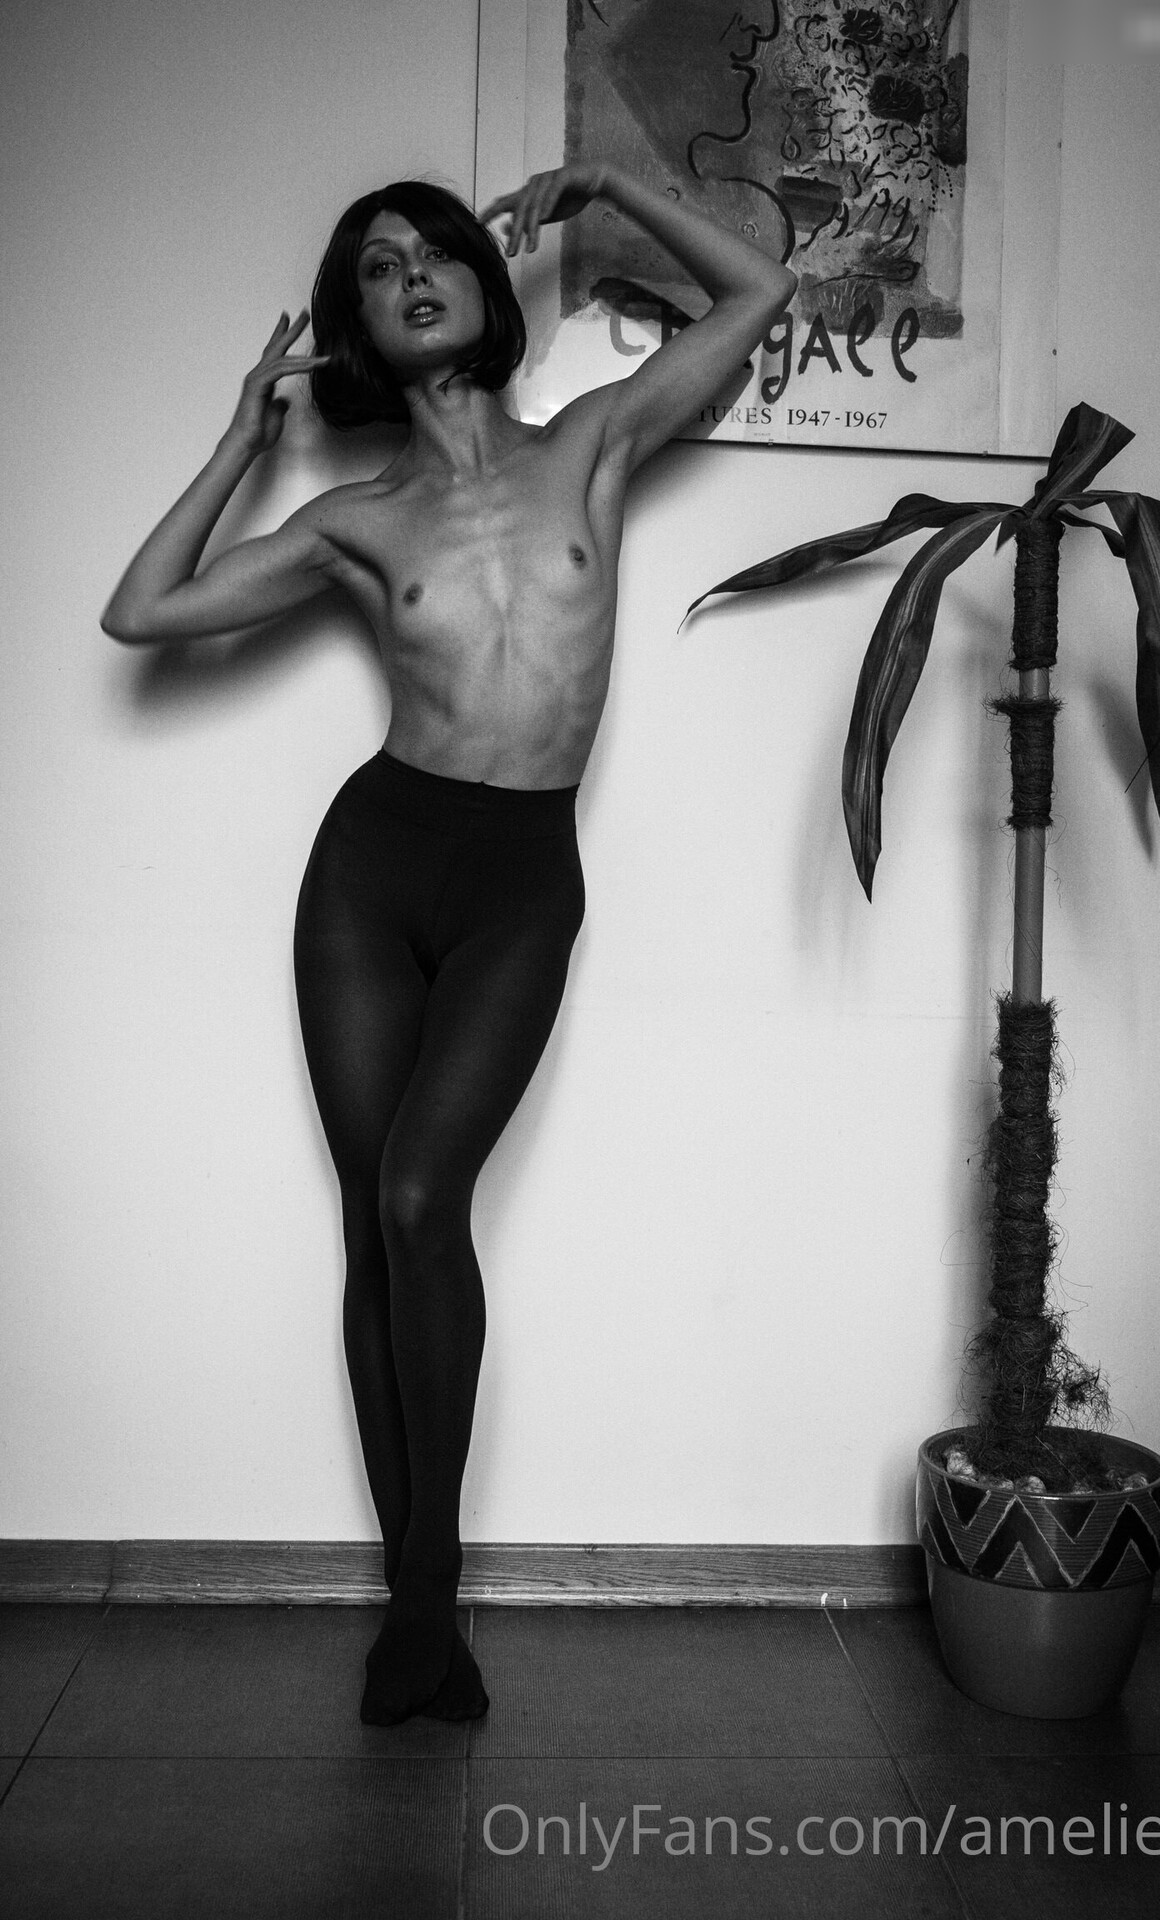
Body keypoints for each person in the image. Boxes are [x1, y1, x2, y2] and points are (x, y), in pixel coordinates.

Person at [101, 162, 794, 1725]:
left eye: (433, 251)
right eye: (376, 266)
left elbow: (761, 292)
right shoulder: (355, 522)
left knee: (425, 1194)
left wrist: (607, 183)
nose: (409, 273)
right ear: (357, 327)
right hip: (371, 868)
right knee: (380, 1221)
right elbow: (141, 615)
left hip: (519, 877)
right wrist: (240, 445)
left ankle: (429, 1582)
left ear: (485, 282)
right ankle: (419, 1619)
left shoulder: (591, 445)